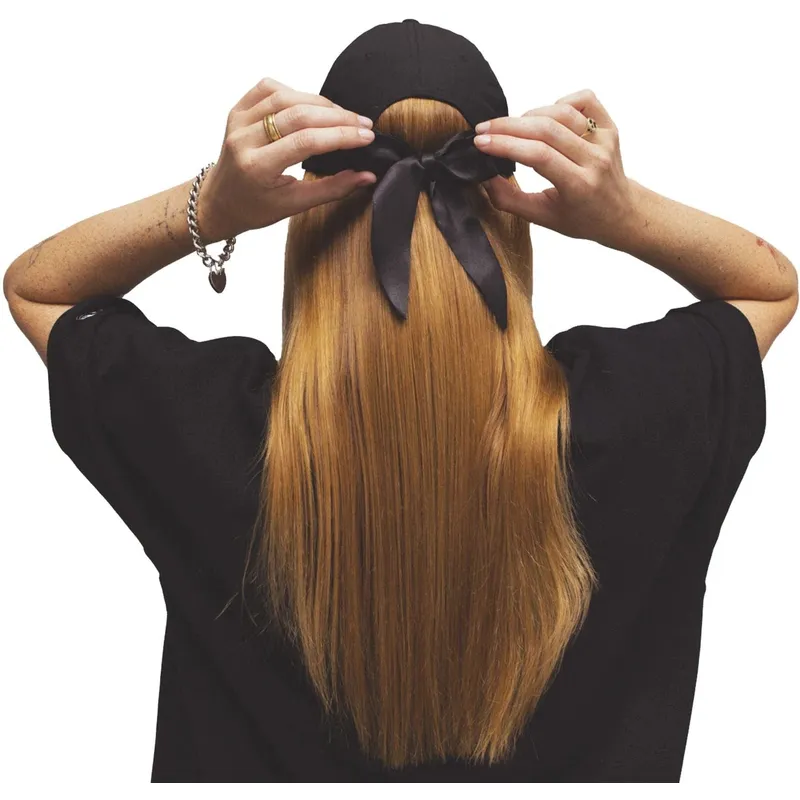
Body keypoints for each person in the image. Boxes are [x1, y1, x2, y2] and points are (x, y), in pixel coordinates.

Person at [3, 19, 796, 783]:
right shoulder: (633, 417)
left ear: (309, 220)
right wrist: (624, 215)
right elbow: (770, 288)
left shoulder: (212, 429)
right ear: (506, 218)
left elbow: (38, 288)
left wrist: (212, 205)